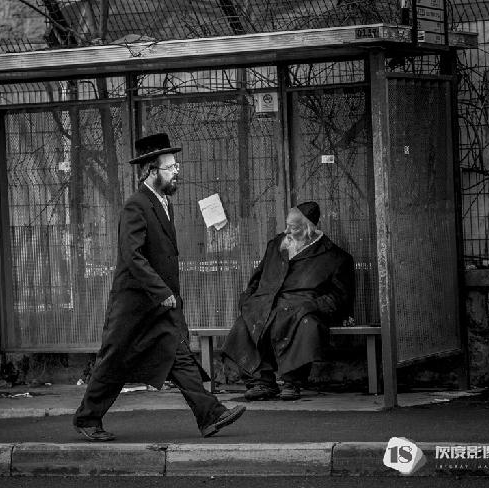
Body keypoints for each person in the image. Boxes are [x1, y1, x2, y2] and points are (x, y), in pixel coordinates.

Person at [73, 133, 245, 441]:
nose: (177, 171)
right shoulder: (136, 206)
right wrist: (161, 291)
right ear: (152, 170)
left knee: (179, 356)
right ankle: (87, 419)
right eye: (170, 167)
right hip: (134, 306)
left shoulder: (164, 203)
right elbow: (132, 255)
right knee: (114, 361)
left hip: (159, 305)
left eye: (176, 165)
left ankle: (210, 415)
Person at [223, 202, 355, 401]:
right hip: (266, 303)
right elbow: (257, 278)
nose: (286, 232)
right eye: (287, 225)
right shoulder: (276, 245)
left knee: (306, 323)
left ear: (309, 229)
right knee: (245, 323)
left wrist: (312, 306)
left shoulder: (335, 257)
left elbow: (339, 296)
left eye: (293, 228)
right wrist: (247, 300)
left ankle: (292, 382)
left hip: (302, 307)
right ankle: (262, 381)